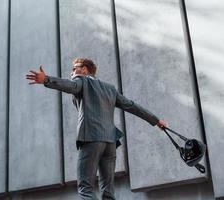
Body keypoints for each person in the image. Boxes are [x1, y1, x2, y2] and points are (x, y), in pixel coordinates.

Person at [25, 58, 166, 200]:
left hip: (91, 138)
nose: (72, 72)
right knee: (108, 192)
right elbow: (131, 105)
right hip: (110, 141)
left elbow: (71, 86)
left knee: (85, 189)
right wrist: (156, 121)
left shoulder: (82, 80)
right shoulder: (109, 88)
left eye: (74, 68)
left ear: (84, 70)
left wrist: (46, 80)